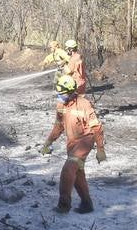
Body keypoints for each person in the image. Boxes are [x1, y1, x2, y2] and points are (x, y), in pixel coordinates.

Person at [40, 73, 106, 213]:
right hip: (71, 143)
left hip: (85, 140)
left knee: (68, 170)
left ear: (71, 92)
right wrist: (48, 142)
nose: (60, 96)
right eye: (59, 93)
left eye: (62, 93)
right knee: (77, 174)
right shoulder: (61, 105)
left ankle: (64, 206)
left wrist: (100, 149)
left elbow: (96, 127)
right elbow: (58, 126)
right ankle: (87, 204)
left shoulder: (84, 104)